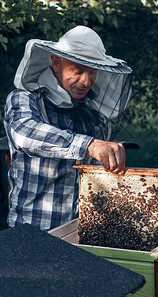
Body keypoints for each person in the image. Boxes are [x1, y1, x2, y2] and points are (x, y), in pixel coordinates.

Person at [4, 25, 133, 231]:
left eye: (92, 72)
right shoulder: (24, 98)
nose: (86, 81)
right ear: (56, 63)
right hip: (34, 230)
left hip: (81, 230)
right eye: (78, 71)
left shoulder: (91, 112)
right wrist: (89, 145)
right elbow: (24, 134)